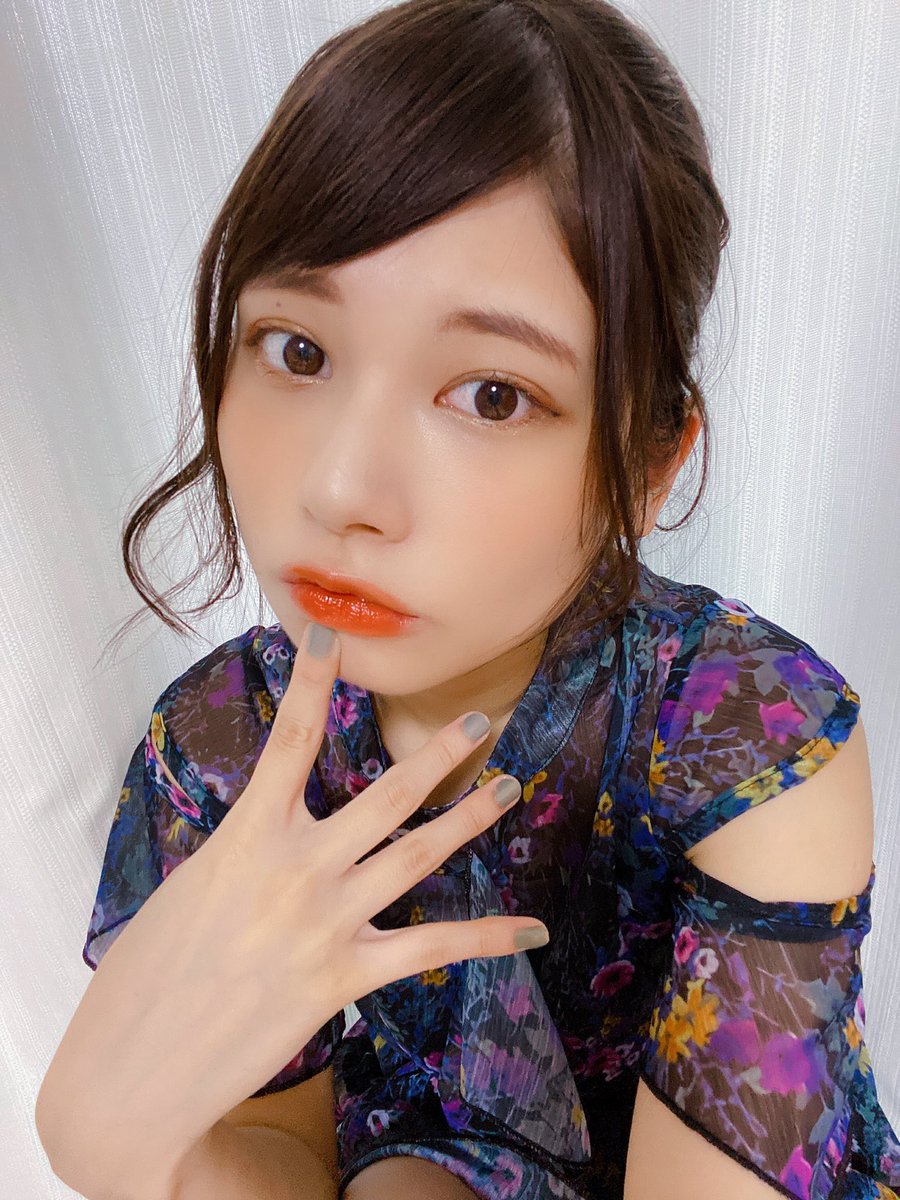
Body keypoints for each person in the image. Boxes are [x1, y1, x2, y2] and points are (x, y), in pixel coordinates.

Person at [35, 1, 899, 1198]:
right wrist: (103, 1135)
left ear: (650, 462)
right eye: (297, 350)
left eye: (492, 394)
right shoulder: (230, 748)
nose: (341, 489)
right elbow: (285, 1157)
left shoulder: (742, 732)